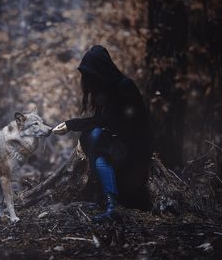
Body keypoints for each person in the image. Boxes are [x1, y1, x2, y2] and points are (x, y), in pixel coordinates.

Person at [52, 45, 153, 222]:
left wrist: (71, 124)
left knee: (96, 136)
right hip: (119, 147)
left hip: (135, 149)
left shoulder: (124, 86)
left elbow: (114, 124)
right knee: (92, 138)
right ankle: (108, 202)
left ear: (100, 70)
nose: (88, 80)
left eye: (91, 74)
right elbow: (104, 122)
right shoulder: (105, 92)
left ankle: (112, 204)